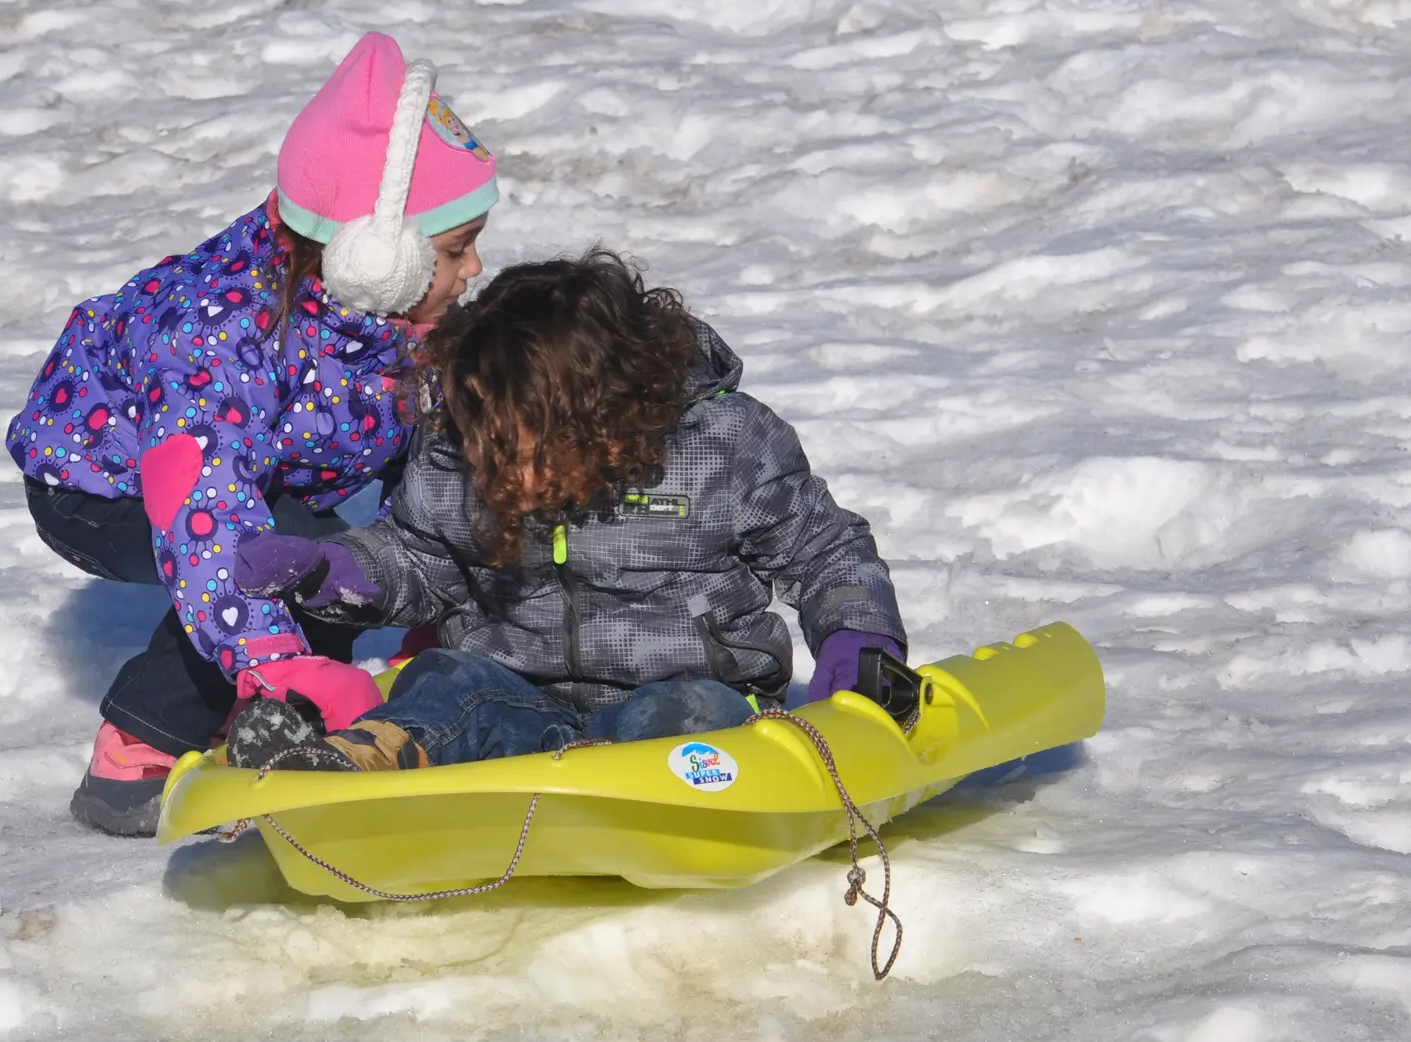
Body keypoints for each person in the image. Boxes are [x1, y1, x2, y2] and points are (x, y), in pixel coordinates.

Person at [9, 31, 496, 832]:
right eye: (456, 250)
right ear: (376, 255)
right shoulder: (216, 334)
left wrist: (447, 600)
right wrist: (274, 662)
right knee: (288, 559)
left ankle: (346, 695)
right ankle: (141, 745)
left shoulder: (390, 304)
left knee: (351, 524)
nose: (473, 270)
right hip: (106, 486)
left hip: (259, 467)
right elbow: (201, 507)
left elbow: (437, 448)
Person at [222, 251, 908, 773]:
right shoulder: (465, 445)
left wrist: (858, 642)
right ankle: (353, 763)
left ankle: (632, 791)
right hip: (521, 695)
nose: (497, 468)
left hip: (688, 707)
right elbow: (420, 557)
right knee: (447, 683)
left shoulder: (723, 445)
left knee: (682, 714)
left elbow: (825, 552)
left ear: (605, 419)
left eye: (521, 448)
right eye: (482, 435)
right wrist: (336, 569)